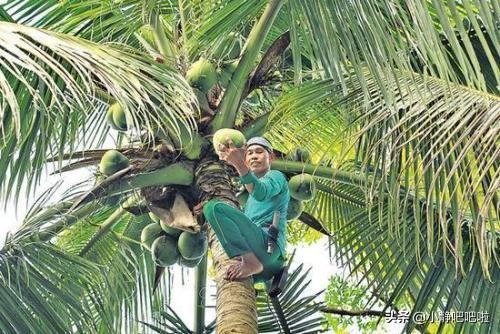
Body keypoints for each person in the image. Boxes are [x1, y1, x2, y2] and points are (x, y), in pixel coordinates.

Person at [201, 136, 289, 281]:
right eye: (249, 153)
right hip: (264, 269)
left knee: (214, 208)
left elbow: (261, 192)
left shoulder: (276, 176)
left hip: (268, 247)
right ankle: (250, 266)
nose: (254, 156)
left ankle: (250, 262)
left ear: (271, 157)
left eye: (259, 152)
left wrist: (238, 164)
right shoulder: (248, 200)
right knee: (209, 208)